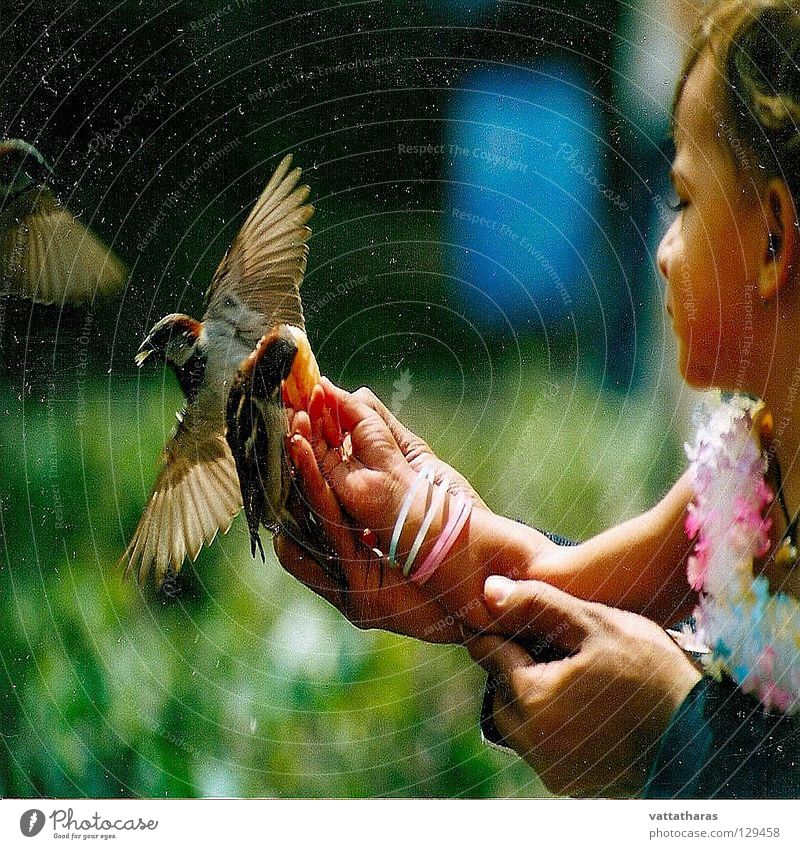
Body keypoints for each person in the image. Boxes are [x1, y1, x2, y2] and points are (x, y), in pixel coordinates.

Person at [276, 0, 800, 798]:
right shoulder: (742, 471)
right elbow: (556, 580)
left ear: (772, 239)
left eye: (685, 203)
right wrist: (417, 516)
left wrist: (676, 729)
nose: (660, 251)